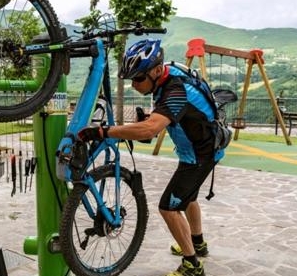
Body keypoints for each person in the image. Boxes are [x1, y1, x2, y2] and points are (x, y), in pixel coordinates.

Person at [77, 38, 225, 276]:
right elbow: (170, 117)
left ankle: (192, 265)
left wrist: (103, 131)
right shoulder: (168, 78)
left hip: (201, 155)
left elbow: (149, 130)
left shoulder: (176, 90)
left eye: (138, 78)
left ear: (156, 71)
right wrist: (150, 119)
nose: (134, 85)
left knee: (168, 208)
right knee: (188, 198)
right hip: (198, 150)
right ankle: (198, 244)